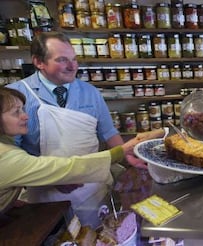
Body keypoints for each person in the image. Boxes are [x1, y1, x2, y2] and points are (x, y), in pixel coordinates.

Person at [5, 31, 142, 223]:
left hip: (92, 188)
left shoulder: (90, 92)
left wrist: (129, 159)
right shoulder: (17, 96)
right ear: (38, 62)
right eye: (62, 60)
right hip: (45, 193)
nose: (72, 66)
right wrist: (54, 180)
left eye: (74, 59)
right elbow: (14, 154)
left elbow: (109, 134)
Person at [0, 87, 165, 214]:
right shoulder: (5, 157)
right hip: (50, 192)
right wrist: (123, 150)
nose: (25, 116)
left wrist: (7, 200)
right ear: (39, 62)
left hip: (86, 187)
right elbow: (66, 167)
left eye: (23, 109)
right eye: (16, 112)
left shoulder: (89, 91)